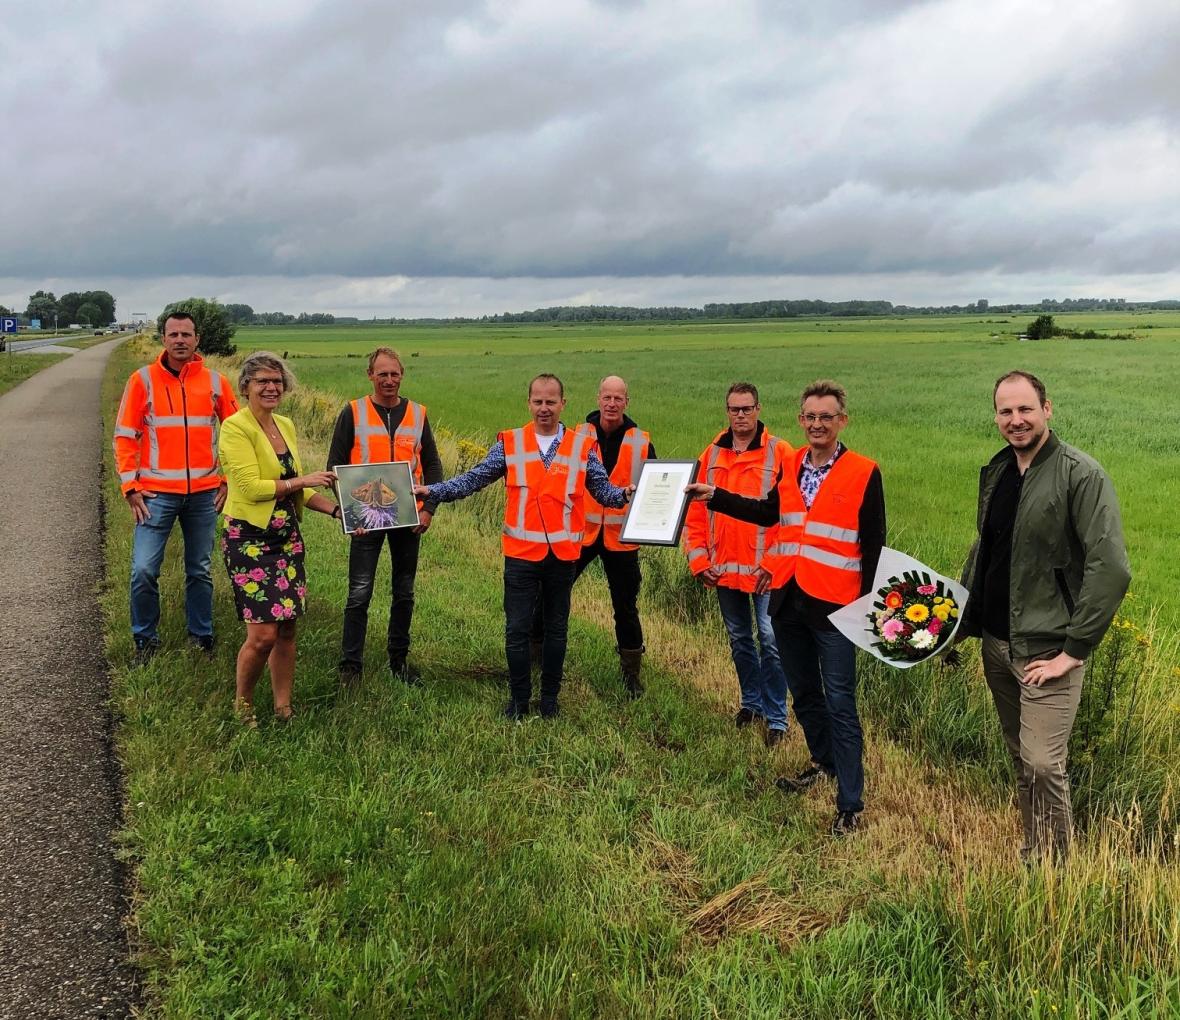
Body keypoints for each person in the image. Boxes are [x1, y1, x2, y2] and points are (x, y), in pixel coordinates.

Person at [687, 379, 885, 836]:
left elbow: (874, 546)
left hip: (836, 608)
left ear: (842, 421)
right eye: (810, 417)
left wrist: (870, 613)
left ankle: (850, 804)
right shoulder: (793, 463)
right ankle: (823, 763)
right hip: (789, 600)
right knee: (806, 695)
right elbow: (767, 512)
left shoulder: (863, 471)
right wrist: (714, 496)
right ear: (800, 420)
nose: (817, 424)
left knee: (840, 704)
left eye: (826, 417)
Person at [959, 370, 1130, 859]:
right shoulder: (998, 471)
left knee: (1042, 762)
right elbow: (987, 551)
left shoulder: (1081, 474)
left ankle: (1056, 866)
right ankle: (1034, 849)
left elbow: (1111, 567)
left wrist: (1073, 651)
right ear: (996, 416)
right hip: (998, 643)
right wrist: (959, 621)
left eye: (1026, 409)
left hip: (1047, 648)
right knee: (1021, 757)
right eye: (1006, 411)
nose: (1016, 420)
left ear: (1047, 409)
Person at [417, 374, 630, 719]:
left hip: (563, 558)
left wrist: (625, 495)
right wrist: (436, 492)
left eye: (551, 401)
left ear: (564, 404)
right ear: (528, 403)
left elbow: (603, 491)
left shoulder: (582, 446)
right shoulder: (511, 443)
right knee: (516, 630)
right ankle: (518, 701)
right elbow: (475, 478)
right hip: (520, 556)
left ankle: (550, 702)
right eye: (538, 401)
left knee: (556, 631)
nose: (544, 408)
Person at [218, 352, 339, 727]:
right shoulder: (235, 428)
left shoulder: (284, 425)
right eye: (262, 382)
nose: (271, 387)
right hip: (249, 539)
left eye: (277, 381)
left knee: (287, 627)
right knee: (263, 634)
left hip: (287, 538)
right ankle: (243, 704)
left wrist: (340, 512)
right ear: (245, 387)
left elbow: (296, 491)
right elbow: (253, 488)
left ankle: (283, 707)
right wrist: (303, 481)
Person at [113, 311, 239, 662]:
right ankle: (145, 641)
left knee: (199, 569)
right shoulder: (142, 380)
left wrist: (227, 478)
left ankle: (201, 637)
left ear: (197, 339)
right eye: (173, 334)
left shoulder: (216, 382)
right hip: (156, 495)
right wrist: (130, 486)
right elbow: (125, 436)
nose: (180, 340)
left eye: (187, 334)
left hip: (203, 494)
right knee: (143, 570)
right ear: (163, 339)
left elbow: (236, 434)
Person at [326, 347, 444, 688]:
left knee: (404, 591)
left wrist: (429, 508)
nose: (389, 380)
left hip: (407, 516)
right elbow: (334, 466)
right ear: (370, 376)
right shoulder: (353, 412)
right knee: (359, 593)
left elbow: (434, 465)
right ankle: (351, 667)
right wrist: (350, 515)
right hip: (366, 519)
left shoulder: (418, 414)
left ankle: (399, 661)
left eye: (394, 374)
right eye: (382, 374)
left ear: (402, 374)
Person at [683, 382, 793, 746]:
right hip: (724, 569)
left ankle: (777, 717)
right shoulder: (711, 453)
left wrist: (775, 564)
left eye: (747, 409)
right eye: (734, 410)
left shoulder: (781, 453)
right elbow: (695, 514)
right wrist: (699, 561)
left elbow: (790, 516)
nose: (741, 416)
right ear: (727, 411)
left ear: (759, 409)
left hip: (765, 572)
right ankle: (751, 703)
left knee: (772, 641)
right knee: (740, 640)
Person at [530, 375, 654, 697]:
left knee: (625, 606)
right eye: (607, 397)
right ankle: (535, 657)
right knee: (552, 593)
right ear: (598, 399)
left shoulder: (641, 441)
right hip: (580, 535)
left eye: (618, 398)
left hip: (621, 539)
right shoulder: (577, 436)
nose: (612, 404)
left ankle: (631, 674)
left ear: (627, 402)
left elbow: (655, 490)